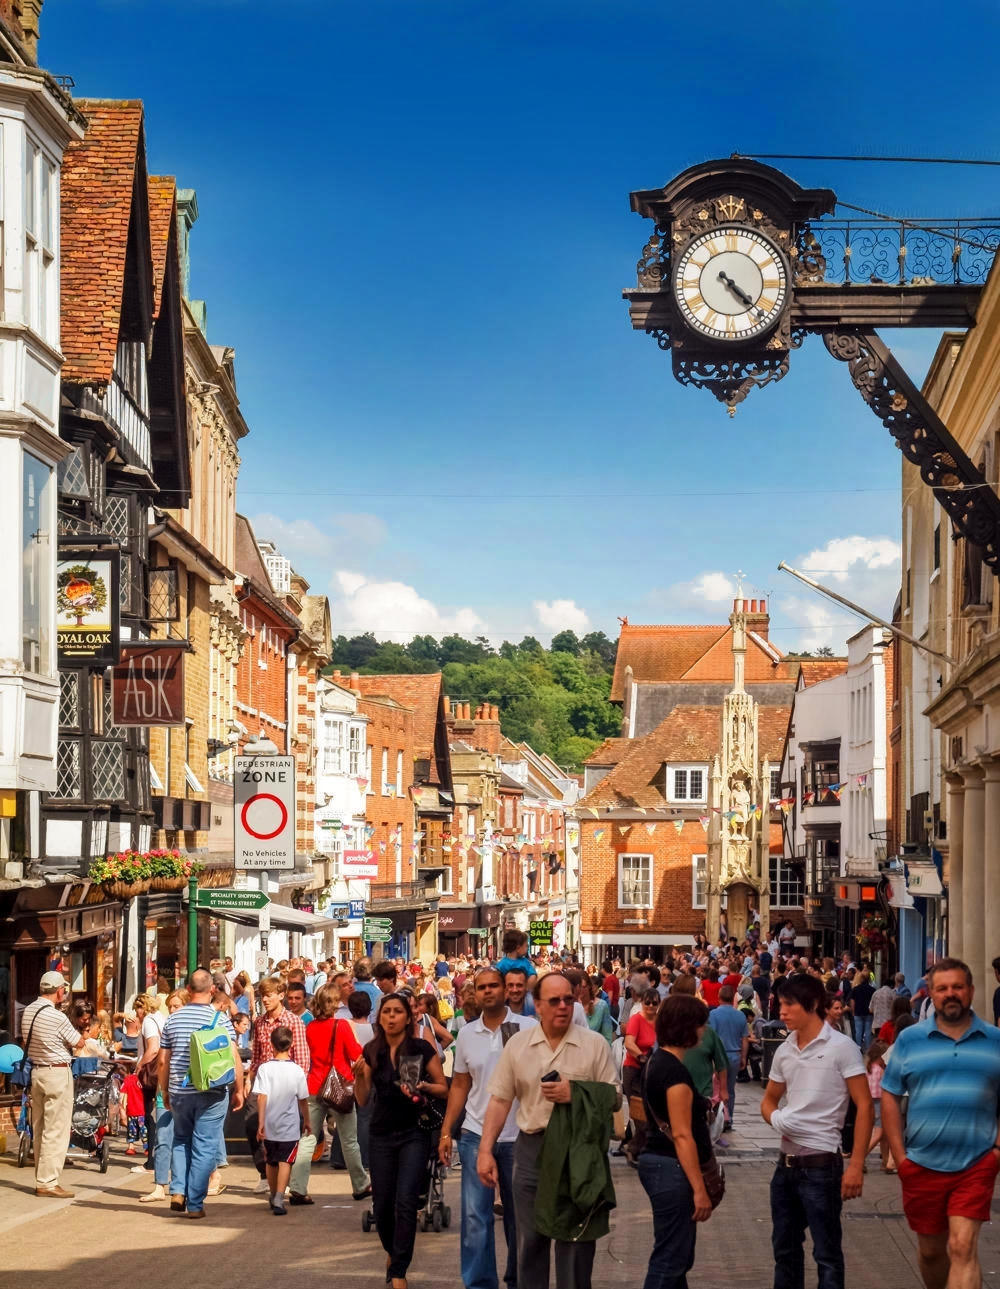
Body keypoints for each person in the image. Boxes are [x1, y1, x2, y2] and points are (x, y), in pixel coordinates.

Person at [477, 970, 619, 1289]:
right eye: (554, 1000)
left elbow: (615, 1097)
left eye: (568, 999)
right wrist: (485, 1150)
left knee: (575, 1243)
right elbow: (500, 1100)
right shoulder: (518, 1044)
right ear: (537, 1005)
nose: (563, 1006)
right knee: (530, 1242)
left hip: (578, 1154)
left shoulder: (594, 1045)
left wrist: (577, 1092)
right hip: (531, 1151)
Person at [881, 957, 1000, 1289]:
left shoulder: (995, 1041)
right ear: (929, 993)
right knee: (932, 1253)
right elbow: (889, 1094)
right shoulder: (909, 1040)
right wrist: (900, 1157)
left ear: (971, 991)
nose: (951, 994)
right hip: (921, 1163)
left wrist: (997, 1151)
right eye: (942, 988)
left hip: (976, 1163)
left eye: (958, 987)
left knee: (963, 1247)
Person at [761, 974, 872, 1289]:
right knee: (784, 1250)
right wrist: (778, 1119)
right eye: (780, 1003)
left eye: (788, 1004)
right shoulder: (785, 1049)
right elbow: (768, 1100)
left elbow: (864, 1106)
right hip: (785, 1166)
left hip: (822, 1166)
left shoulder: (842, 1047)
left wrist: (856, 1165)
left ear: (810, 1005)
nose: (781, 1011)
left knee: (826, 1254)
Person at [439, 968, 533, 1289]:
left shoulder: (528, 1028)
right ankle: (480, 1284)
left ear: (507, 990)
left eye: (495, 985)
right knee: (475, 1218)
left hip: (519, 1136)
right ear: (475, 994)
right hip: (475, 1134)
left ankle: (519, 1280)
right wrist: (446, 1130)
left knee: (519, 1219)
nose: (489, 991)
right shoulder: (466, 1034)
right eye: (482, 987)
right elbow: (460, 1086)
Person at [353, 990, 448, 1289]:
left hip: (413, 1133)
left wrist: (423, 1086)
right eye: (387, 1012)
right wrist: (359, 1076)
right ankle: (393, 1254)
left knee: (406, 1202)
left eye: (397, 1011)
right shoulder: (372, 1050)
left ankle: (398, 1272)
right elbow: (363, 1099)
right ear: (379, 1018)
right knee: (381, 1206)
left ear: (408, 1017)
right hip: (381, 1134)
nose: (392, 1016)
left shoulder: (419, 1048)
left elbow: (444, 1088)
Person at [637, 994, 716, 1288]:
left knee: (676, 1256)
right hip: (671, 1168)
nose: (703, 1031)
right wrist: (699, 1189)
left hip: (659, 1165)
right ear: (686, 1027)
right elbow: (682, 1135)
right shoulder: (674, 1073)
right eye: (700, 1025)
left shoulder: (658, 1061)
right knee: (671, 1259)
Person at [158, 969, 245, 1219]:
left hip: (180, 1091)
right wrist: (239, 1089)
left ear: (187, 990)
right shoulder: (220, 1020)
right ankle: (195, 1203)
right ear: (212, 990)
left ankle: (177, 1190)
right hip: (213, 1090)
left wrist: (165, 1089)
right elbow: (233, 1057)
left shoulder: (173, 1019)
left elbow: (163, 1060)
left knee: (181, 1139)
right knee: (205, 1146)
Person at [290, 982, 370, 1203]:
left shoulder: (311, 1027)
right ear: (334, 1003)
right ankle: (360, 1184)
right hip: (339, 1086)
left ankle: (297, 1187)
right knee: (349, 1140)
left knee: (308, 1139)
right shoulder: (341, 1025)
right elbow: (356, 1053)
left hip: (315, 1085)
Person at [20, 969, 86, 1198]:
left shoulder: (28, 1011)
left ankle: (42, 1177)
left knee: (39, 1128)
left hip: (36, 1073)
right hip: (57, 1073)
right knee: (55, 1130)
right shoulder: (57, 1016)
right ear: (59, 992)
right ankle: (48, 1182)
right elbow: (78, 1042)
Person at [245, 977, 310, 1194]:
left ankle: (282, 1179)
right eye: (263, 995)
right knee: (252, 1123)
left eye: (269, 994)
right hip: (263, 1082)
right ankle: (264, 1173)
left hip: (286, 1084)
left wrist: (297, 1087)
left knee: (286, 1132)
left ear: (280, 995)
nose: (265, 999)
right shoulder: (260, 1022)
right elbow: (256, 1056)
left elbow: (302, 1060)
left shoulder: (294, 1022)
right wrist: (248, 1078)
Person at [253, 1025, 310, 1215]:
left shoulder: (265, 1068)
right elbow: (303, 1099)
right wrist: (307, 1120)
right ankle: (279, 1195)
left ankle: (272, 1194)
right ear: (292, 1044)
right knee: (286, 1160)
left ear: (271, 1044)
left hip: (270, 1122)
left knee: (271, 1161)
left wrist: (261, 1122)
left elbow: (261, 1097)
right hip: (290, 1124)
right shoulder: (297, 1070)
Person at [139, 989, 186, 1203]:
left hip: (186, 1092)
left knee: (181, 1140)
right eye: (172, 1006)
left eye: (177, 1006)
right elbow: (161, 1059)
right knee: (163, 1138)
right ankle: (160, 1185)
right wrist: (161, 1086)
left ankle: (179, 1187)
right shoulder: (167, 1027)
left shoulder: (190, 1029)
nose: (174, 1010)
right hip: (164, 1089)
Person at [623, 988, 660, 1162]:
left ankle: (635, 1148)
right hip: (635, 1070)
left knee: (651, 1113)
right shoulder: (636, 1019)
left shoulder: (661, 1022)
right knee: (640, 1114)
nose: (651, 1006)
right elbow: (629, 1042)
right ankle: (637, 1149)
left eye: (655, 1002)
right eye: (648, 1002)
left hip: (654, 1072)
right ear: (642, 1003)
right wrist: (641, 1056)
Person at [709, 985, 749, 1130]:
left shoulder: (713, 1014)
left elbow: (711, 1037)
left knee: (716, 1089)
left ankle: (717, 1117)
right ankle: (728, 1118)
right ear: (733, 999)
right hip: (734, 1055)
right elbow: (745, 1039)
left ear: (719, 997)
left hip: (717, 1057)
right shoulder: (740, 1015)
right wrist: (744, 1057)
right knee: (730, 1090)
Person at [851, 972, 876, 1052]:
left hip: (858, 1012)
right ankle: (868, 1049)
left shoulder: (855, 989)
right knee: (868, 1031)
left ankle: (858, 1048)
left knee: (858, 1031)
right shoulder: (872, 990)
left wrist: (853, 1011)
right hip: (868, 1013)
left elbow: (852, 1001)